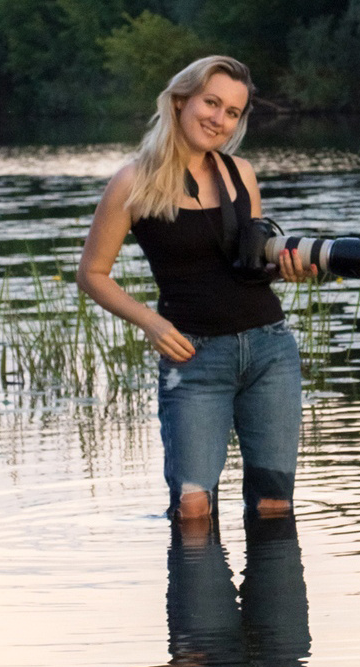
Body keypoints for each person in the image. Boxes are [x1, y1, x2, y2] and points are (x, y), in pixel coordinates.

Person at [77, 55, 315, 525]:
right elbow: (92, 273)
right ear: (181, 100)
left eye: (232, 112)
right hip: (193, 358)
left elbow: (247, 264)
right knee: (192, 510)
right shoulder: (133, 182)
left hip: (270, 350)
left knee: (274, 503)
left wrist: (283, 269)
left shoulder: (240, 173)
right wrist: (151, 321)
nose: (219, 120)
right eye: (212, 103)